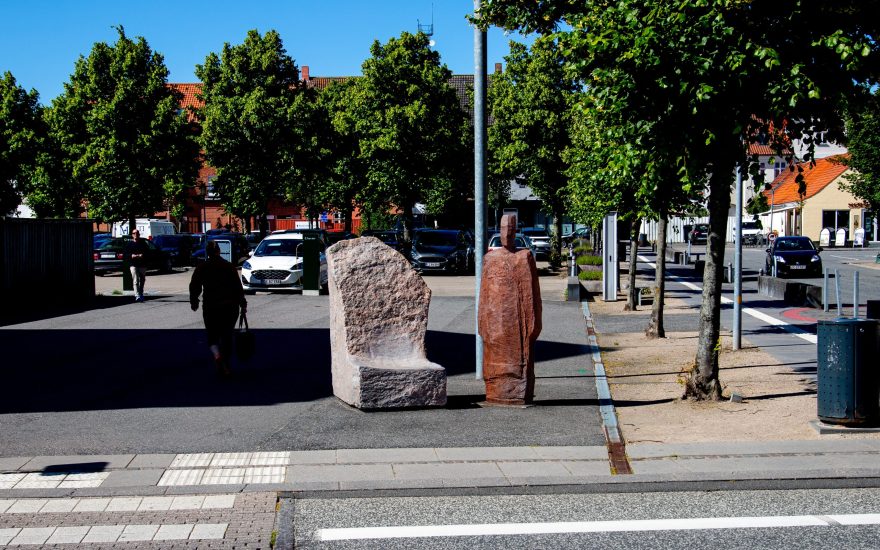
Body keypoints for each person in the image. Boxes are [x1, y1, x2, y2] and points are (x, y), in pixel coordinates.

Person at [478, 214, 542, 405]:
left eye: (511, 230)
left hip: (517, 323)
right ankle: (497, 391)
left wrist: (533, 324)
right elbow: (483, 295)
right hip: (495, 323)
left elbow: (532, 296)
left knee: (518, 361)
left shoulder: (524, 257)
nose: (506, 234)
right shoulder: (490, 259)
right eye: (503, 229)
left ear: (515, 232)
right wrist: (482, 324)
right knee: (494, 361)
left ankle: (517, 391)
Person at [189, 240, 247, 377]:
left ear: (207, 253)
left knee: (212, 335)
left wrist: (194, 301)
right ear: (219, 251)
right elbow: (237, 287)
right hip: (229, 306)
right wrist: (242, 303)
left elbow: (194, 286)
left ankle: (217, 355)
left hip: (211, 306)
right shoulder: (229, 267)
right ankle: (226, 363)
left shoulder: (202, 267)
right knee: (227, 335)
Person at [126, 229, 150, 302]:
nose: (135, 234)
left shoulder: (143, 243)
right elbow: (126, 254)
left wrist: (142, 255)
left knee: (142, 280)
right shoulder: (129, 244)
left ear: (139, 234)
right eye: (134, 233)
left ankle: (141, 293)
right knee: (135, 280)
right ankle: (137, 295)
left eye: (137, 233)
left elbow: (147, 253)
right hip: (133, 264)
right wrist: (131, 255)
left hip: (142, 264)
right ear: (132, 235)